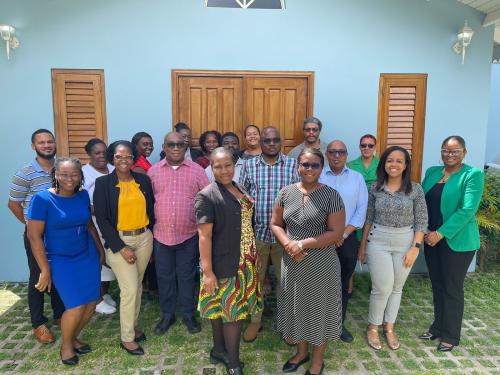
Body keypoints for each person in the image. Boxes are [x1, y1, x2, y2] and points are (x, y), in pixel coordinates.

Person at [271, 147, 345, 375]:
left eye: (314, 165)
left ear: (321, 168)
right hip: (292, 262)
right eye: (305, 164)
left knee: (319, 309)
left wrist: (302, 244)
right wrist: (288, 245)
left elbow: (336, 233)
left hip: (321, 263)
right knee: (296, 307)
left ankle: (317, 360)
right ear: (297, 166)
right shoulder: (286, 193)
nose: (309, 169)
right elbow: (275, 224)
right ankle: (302, 353)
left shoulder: (331, 195)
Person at [27, 157, 103, 366]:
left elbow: (88, 225)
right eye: (64, 174)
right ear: (55, 175)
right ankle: (66, 346)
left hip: (85, 254)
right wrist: (44, 269)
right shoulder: (42, 200)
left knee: (91, 303)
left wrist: (99, 252)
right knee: (76, 305)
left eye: (74, 174)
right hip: (60, 259)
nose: (69, 178)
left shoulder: (83, 195)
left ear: (80, 176)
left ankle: (73, 337)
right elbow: (34, 236)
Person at [196, 147, 262, 375]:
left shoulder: (238, 187)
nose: (224, 170)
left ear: (235, 166)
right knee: (232, 313)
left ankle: (218, 350)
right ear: (211, 168)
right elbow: (204, 236)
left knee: (219, 307)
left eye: (228, 165)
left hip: (245, 261)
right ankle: (233, 363)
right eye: (218, 166)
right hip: (225, 262)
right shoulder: (207, 195)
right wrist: (207, 271)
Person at [358, 146, 428, 351]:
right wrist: (362, 247)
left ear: (406, 165)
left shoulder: (415, 189)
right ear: (384, 164)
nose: (394, 164)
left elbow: (422, 221)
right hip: (378, 240)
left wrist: (415, 247)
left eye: (399, 161)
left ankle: (389, 327)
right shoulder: (376, 188)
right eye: (390, 160)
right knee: (382, 287)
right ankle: (373, 327)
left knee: (397, 287)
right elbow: (368, 219)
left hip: (405, 241)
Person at [419, 136, 484, 352]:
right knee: (437, 285)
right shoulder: (432, 172)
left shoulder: (472, 175)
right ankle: (437, 326)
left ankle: (451, 335)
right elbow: (421, 201)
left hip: (457, 242)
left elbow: (467, 210)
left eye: (455, 151)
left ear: (464, 152)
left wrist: (441, 233)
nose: (449, 155)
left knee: (452, 288)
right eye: (446, 150)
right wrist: (426, 230)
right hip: (431, 238)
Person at [93, 140, 155, 356]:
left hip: (144, 237)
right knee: (129, 289)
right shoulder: (102, 184)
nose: (123, 160)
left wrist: (152, 234)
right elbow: (102, 219)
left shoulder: (143, 181)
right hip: (120, 241)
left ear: (133, 158)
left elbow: (151, 210)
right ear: (112, 158)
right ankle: (127, 338)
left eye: (128, 156)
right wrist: (120, 247)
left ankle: (133, 326)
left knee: (137, 285)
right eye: (118, 156)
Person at [239, 126, 299, 342]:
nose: (271, 143)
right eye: (267, 140)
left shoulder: (293, 165)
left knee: (287, 281)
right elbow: (243, 198)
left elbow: (300, 198)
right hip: (259, 235)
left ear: (280, 142)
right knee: (255, 281)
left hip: (286, 236)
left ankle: (288, 323)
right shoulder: (249, 166)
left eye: (275, 140)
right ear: (261, 143)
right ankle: (255, 321)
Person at [148, 132, 209, 335]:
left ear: (185, 147)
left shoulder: (197, 171)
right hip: (161, 234)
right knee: (164, 276)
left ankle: (188, 314)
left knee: (186, 276)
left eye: (180, 145)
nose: (175, 148)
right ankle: (167, 314)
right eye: (171, 145)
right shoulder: (153, 172)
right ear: (164, 147)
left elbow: (206, 200)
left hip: (188, 234)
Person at [8, 129, 65, 344]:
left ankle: (60, 314)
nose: (47, 145)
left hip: (59, 234)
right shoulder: (25, 173)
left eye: (50, 141)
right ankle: (38, 323)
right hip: (36, 236)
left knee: (58, 271)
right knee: (39, 275)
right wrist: (31, 226)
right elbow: (13, 204)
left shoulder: (62, 168)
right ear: (34, 146)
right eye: (41, 142)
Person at [319, 140, 368, 343]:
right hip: (321, 239)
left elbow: (362, 210)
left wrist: (343, 234)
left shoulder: (357, 178)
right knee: (321, 283)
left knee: (342, 282)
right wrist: (330, 235)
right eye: (332, 152)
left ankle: (338, 324)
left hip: (347, 239)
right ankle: (320, 322)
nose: (336, 156)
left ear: (346, 155)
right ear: (327, 155)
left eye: (341, 152)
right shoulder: (318, 176)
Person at [82, 138, 117, 315]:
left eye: (104, 152)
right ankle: (96, 300)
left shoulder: (113, 169)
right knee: (97, 260)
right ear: (89, 154)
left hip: (114, 224)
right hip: (94, 224)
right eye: (97, 153)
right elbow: (81, 201)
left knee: (109, 262)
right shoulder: (84, 173)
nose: (101, 156)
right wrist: (102, 211)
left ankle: (104, 294)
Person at [131, 132, 158, 299]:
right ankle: (147, 286)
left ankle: (148, 285)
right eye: (144, 144)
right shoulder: (137, 165)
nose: (148, 147)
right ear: (135, 145)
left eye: (150, 144)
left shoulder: (144, 162)